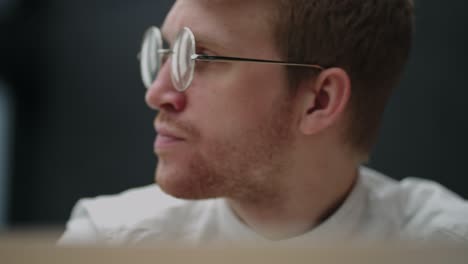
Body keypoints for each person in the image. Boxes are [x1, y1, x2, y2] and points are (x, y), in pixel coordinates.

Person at [60, 0, 468, 245]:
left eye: (203, 57)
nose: (158, 93)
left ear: (319, 101)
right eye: (166, 52)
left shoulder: (445, 245)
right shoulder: (110, 239)